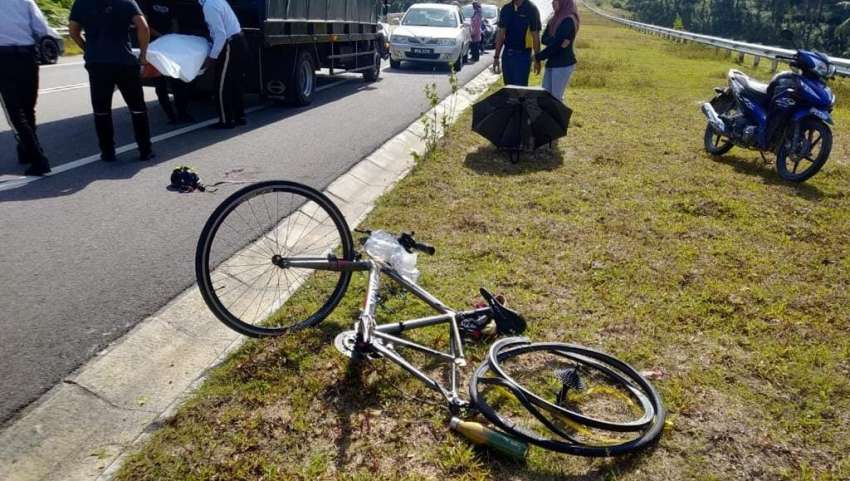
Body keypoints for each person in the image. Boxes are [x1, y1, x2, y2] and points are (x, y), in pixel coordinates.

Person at [69, 0, 155, 162]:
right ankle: (145, 150)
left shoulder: (81, 3)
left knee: (101, 111)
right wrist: (143, 55)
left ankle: (108, 152)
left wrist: (87, 48)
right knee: (137, 109)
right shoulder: (126, 2)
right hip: (125, 62)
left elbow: (73, 31)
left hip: (97, 63)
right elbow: (143, 27)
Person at [0, 0, 52, 176]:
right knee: (28, 107)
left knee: (15, 111)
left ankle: (38, 158)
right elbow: (42, 28)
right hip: (27, 56)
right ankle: (26, 150)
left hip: (3, 58)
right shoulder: (25, 1)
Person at [143, 0, 193, 124]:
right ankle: (170, 116)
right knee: (160, 85)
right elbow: (144, 25)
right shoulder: (147, 3)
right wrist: (160, 36)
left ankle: (183, 113)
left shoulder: (171, 3)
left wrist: (173, 37)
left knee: (177, 81)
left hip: (170, 47)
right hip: (154, 47)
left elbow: (174, 21)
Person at [199, 0, 247, 129]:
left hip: (230, 45)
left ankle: (226, 121)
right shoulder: (218, 1)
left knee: (221, 86)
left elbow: (221, 35)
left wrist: (211, 58)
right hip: (239, 40)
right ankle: (239, 116)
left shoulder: (209, 6)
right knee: (235, 82)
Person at [536, 0, 579, 100]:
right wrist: (556, 41)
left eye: (556, 0)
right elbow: (544, 39)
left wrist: (538, 57)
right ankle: (549, 116)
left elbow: (556, 46)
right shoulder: (554, 19)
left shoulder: (568, 20)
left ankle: (559, 116)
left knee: (556, 98)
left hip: (563, 64)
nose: (552, 3)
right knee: (545, 95)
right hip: (552, 62)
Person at [493, 0, 542, 87]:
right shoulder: (506, 9)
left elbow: (536, 37)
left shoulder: (532, 9)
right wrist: (496, 57)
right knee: (508, 90)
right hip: (507, 55)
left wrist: (537, 59)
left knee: (520, 92)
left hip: (523, 56)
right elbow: (500, 34)